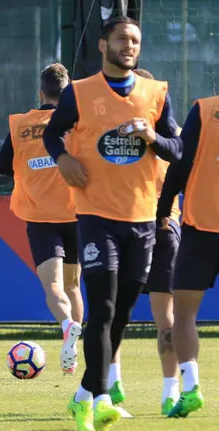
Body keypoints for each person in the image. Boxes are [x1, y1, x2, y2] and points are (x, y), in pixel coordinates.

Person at [42, 16, 182, 430]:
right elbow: (53, 134)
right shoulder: (80, 93)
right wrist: (63, 158)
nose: (130, 45)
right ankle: (101, 398)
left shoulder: (157, 94)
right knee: (102, 307)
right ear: (103, 45)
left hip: (142, 219)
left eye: (135, 40)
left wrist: (152, 138)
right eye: (122, 38)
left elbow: (178, 149)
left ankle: (85, 392)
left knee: (122, 313)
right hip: (96, 216)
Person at [103, 68, 182, 415]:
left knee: (151, 317)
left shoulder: (158, 133)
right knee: (129, 314)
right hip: (141, 228)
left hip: (153, 227)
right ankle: (132, 390)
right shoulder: (128, 136)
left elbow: (180, 156)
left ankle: (160, 392)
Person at [0, 62, 83, 375]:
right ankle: (74, 350)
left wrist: (32, 169)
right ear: (68, 92)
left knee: (54, 288)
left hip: (41, 217)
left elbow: (3, 165)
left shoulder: (21, 125)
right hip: (76, 213)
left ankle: (67, 325)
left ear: (41, 92)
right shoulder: (78, 122)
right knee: (74, 286)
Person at [158, 95, 218, 419]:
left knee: (184, 313)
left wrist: (163, 207)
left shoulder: (206, 109)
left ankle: (192, 386)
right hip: (199, 227)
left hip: (201, 227)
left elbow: (180, 163)